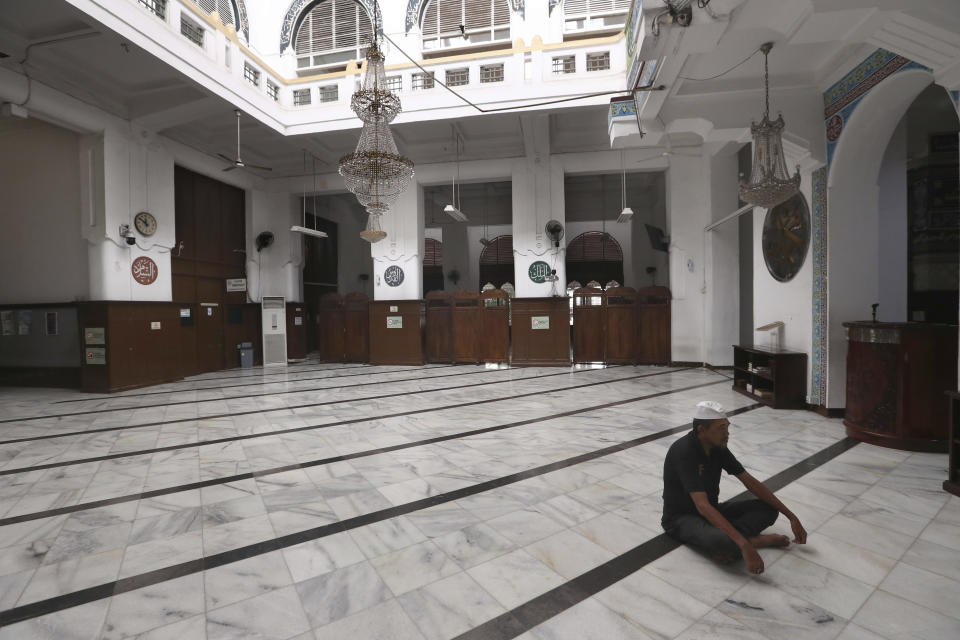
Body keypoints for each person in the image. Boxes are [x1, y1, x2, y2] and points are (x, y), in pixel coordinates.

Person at [660, 401, 807, 574]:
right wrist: (745, 545)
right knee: (724, 542)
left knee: (769, 509)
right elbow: (702, 505)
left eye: (727, 427)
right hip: (681, 518)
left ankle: (733, 542)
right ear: (701, 430)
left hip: (712, 509)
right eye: (721, 428)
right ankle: (754, 541)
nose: (727, 433)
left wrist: (791, 516)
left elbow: (750, 482)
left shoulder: (718, 447)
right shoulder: (684, 452)